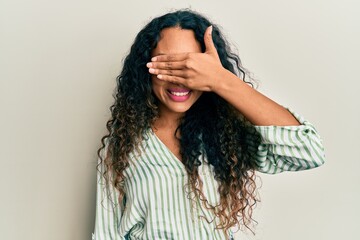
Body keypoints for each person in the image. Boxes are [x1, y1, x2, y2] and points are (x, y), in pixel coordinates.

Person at [92, 9, 325, 240]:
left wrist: (221, 80)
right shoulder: (122, 145)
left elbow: (308, 151)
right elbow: (106, 233)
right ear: (147, 69)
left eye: (192, 67)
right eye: (168, 65)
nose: (180, 79)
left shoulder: (226, 133)